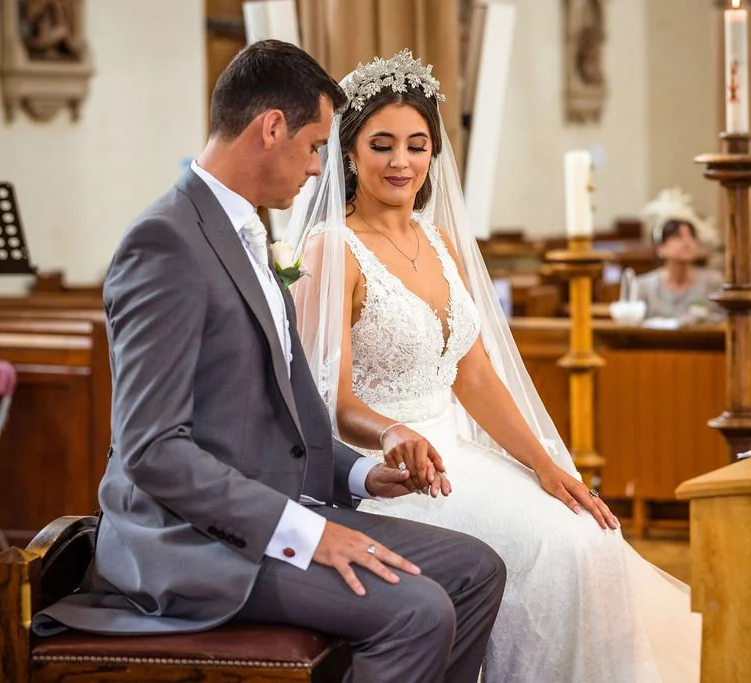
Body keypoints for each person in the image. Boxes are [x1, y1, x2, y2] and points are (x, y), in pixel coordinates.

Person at [31, 41, 506, 683]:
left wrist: (365, 476)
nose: (317, 169)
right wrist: (307, 534)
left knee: (477, 570)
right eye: (314, 146)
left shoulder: (248, 235)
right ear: (271, 128)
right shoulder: (165, 243)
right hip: (192, 546)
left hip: (269, 517)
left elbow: (272, 422)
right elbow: (152, 450)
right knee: (417, 610)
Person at [288, 50, 701, 683]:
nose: (401, 161)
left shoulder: (439, 240)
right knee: (551, 551)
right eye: (382, 144)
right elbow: (331, 401)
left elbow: (474, 375)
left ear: (434, 154)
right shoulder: (332, 249)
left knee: (589, 535)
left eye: (417, 144)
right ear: (349, 152)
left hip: (463, 455)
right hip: (394, 477)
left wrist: (544, 464)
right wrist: (394, 435)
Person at [635, 218, 723, 324]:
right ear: (660, 248)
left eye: (691, 236)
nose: (687, 243)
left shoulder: (713, 282)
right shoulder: (644, 286)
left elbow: (724, 319)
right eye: (677, 236)